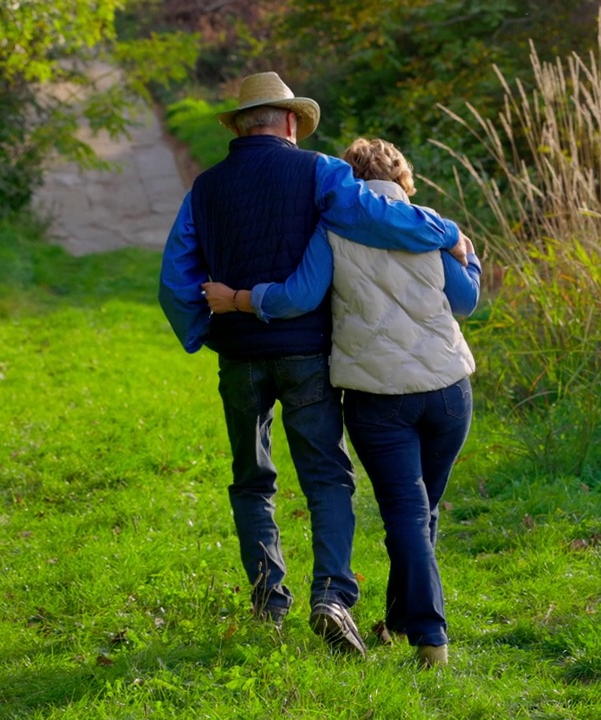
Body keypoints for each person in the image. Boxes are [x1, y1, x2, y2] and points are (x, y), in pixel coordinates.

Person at [158, 72, 470, 658]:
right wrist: (447, 232)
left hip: (240, 357)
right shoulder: (322, 171)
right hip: (306, 354)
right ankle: (331, 597)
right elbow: (376, 218)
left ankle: (268, 603)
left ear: (241, 125)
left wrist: (207, 329)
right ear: (291, 122)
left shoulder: (205, 187)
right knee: (327, 477)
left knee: (252, 480)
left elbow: (175, 280)